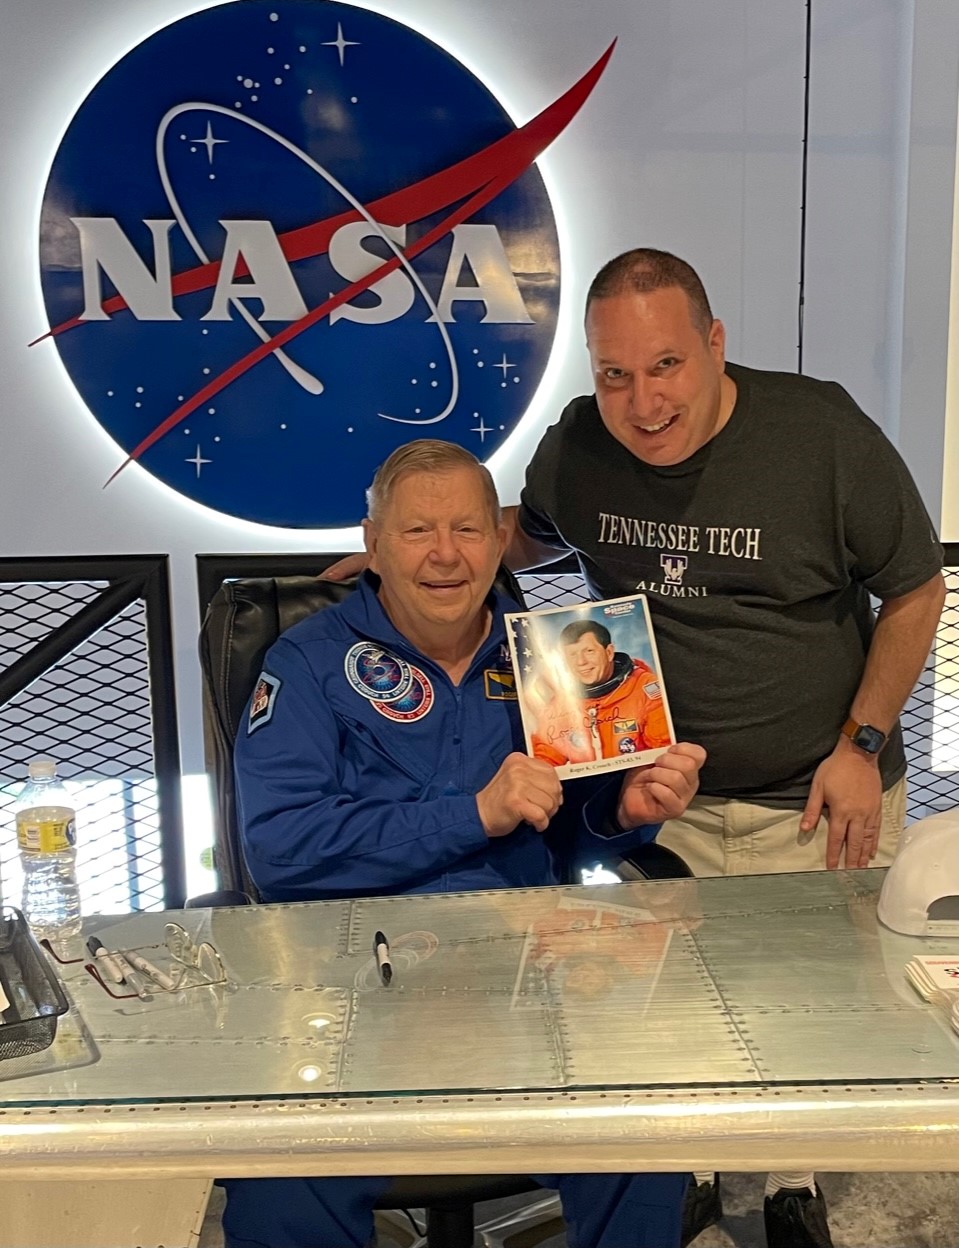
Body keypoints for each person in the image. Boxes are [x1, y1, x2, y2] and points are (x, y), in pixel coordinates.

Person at [322, 250, 947, 1248]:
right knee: (682, 1018)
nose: (641, 399)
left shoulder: (821, 432)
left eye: (663, 367)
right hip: (664, 795)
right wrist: (421, 550)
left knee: (815, 1025)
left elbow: (915, 588)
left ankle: (790, 1191)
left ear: (712, 344)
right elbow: (527, 533)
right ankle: (684, 1181)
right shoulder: (578, 446)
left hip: (819, 789)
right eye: (613, 373)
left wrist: (860, 742)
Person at [225, 439, 706, 1248]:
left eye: (467, 530)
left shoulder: (551, 659)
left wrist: (625, 811)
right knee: (280, 1171)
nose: (445, 554)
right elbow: (280, 848)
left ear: (498, 540)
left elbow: (571, 841)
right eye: (417, 532)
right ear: (373, 544)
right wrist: (471, 814)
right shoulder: (308, 664)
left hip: (529, 972)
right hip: (352, 986)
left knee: (642, 1128)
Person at [531, 619, 670, 767]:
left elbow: (663, 750)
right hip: (588, 787)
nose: (581, 662)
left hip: (639, 780)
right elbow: (545, 756)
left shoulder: (646, 688)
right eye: (572, 655)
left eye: (589, 651)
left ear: (609, 652)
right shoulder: (561, 704)